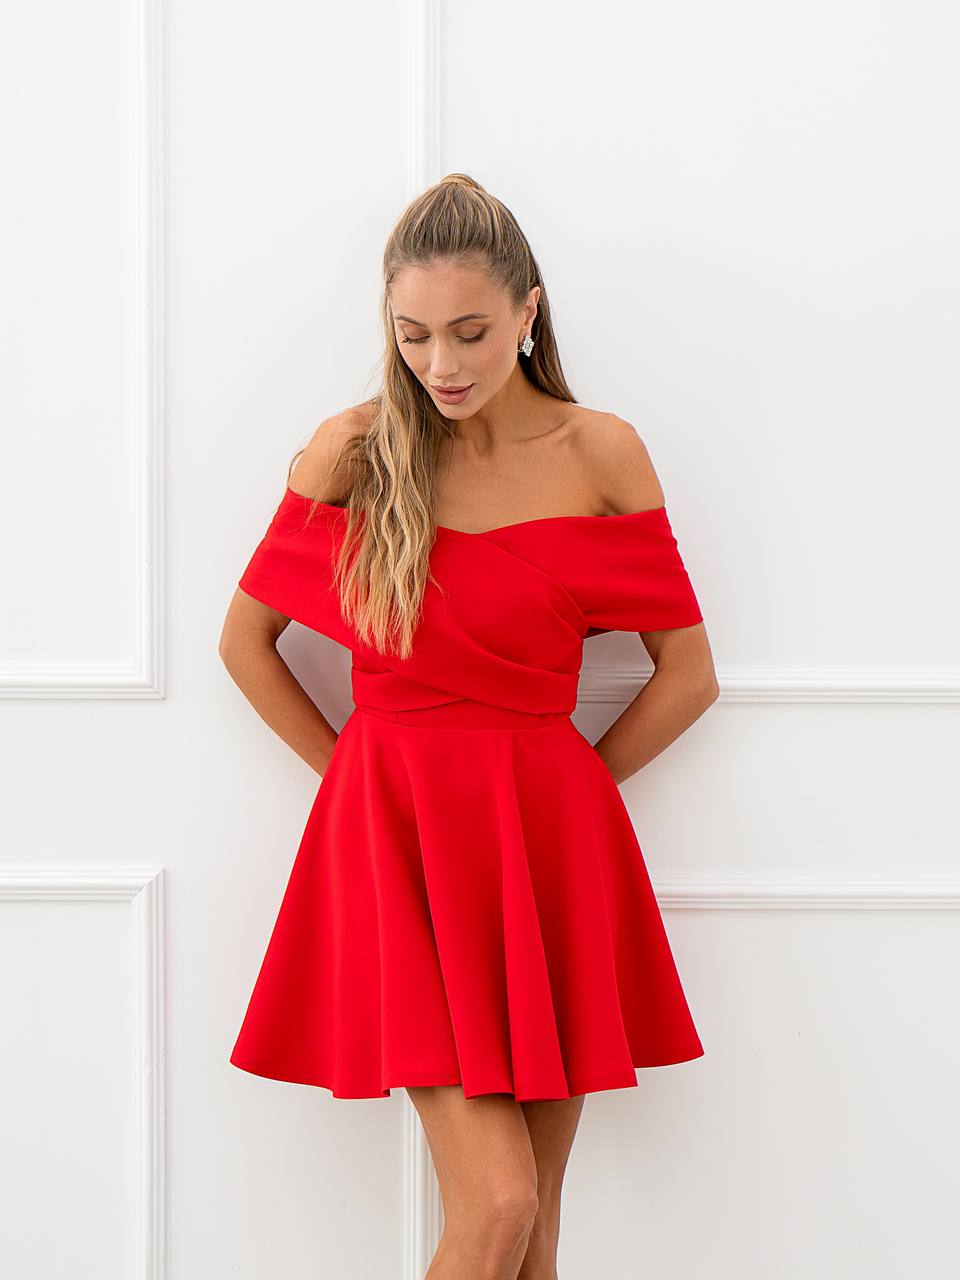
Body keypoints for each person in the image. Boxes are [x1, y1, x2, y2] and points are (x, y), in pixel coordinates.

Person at [219, 173, 719, 1280]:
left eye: (470, 332)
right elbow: (244, 644)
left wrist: (576, 781)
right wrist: (354, 774)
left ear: (530, 313)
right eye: (413, 335)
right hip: (397, 844)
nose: (439, 365)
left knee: (533, 1235)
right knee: (497, 1206)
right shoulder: (353, 449)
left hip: (549, 846)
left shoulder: (602, 452)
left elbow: (687, 675)